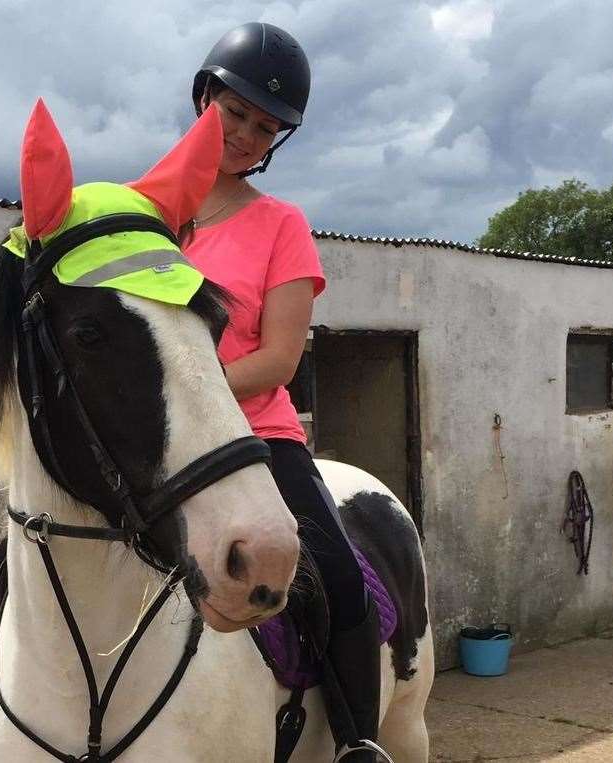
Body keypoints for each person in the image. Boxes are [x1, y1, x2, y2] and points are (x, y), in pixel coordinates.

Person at [181, 22, 387, 762]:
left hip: (257, 435)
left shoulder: (279, 224)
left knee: (334, 573)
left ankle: (360, 741)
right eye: (234, 111)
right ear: (204, 96)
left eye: (264, 126)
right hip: (151, 437)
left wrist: (184, 394)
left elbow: (276, 359)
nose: (244, 134)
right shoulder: (144, 215)